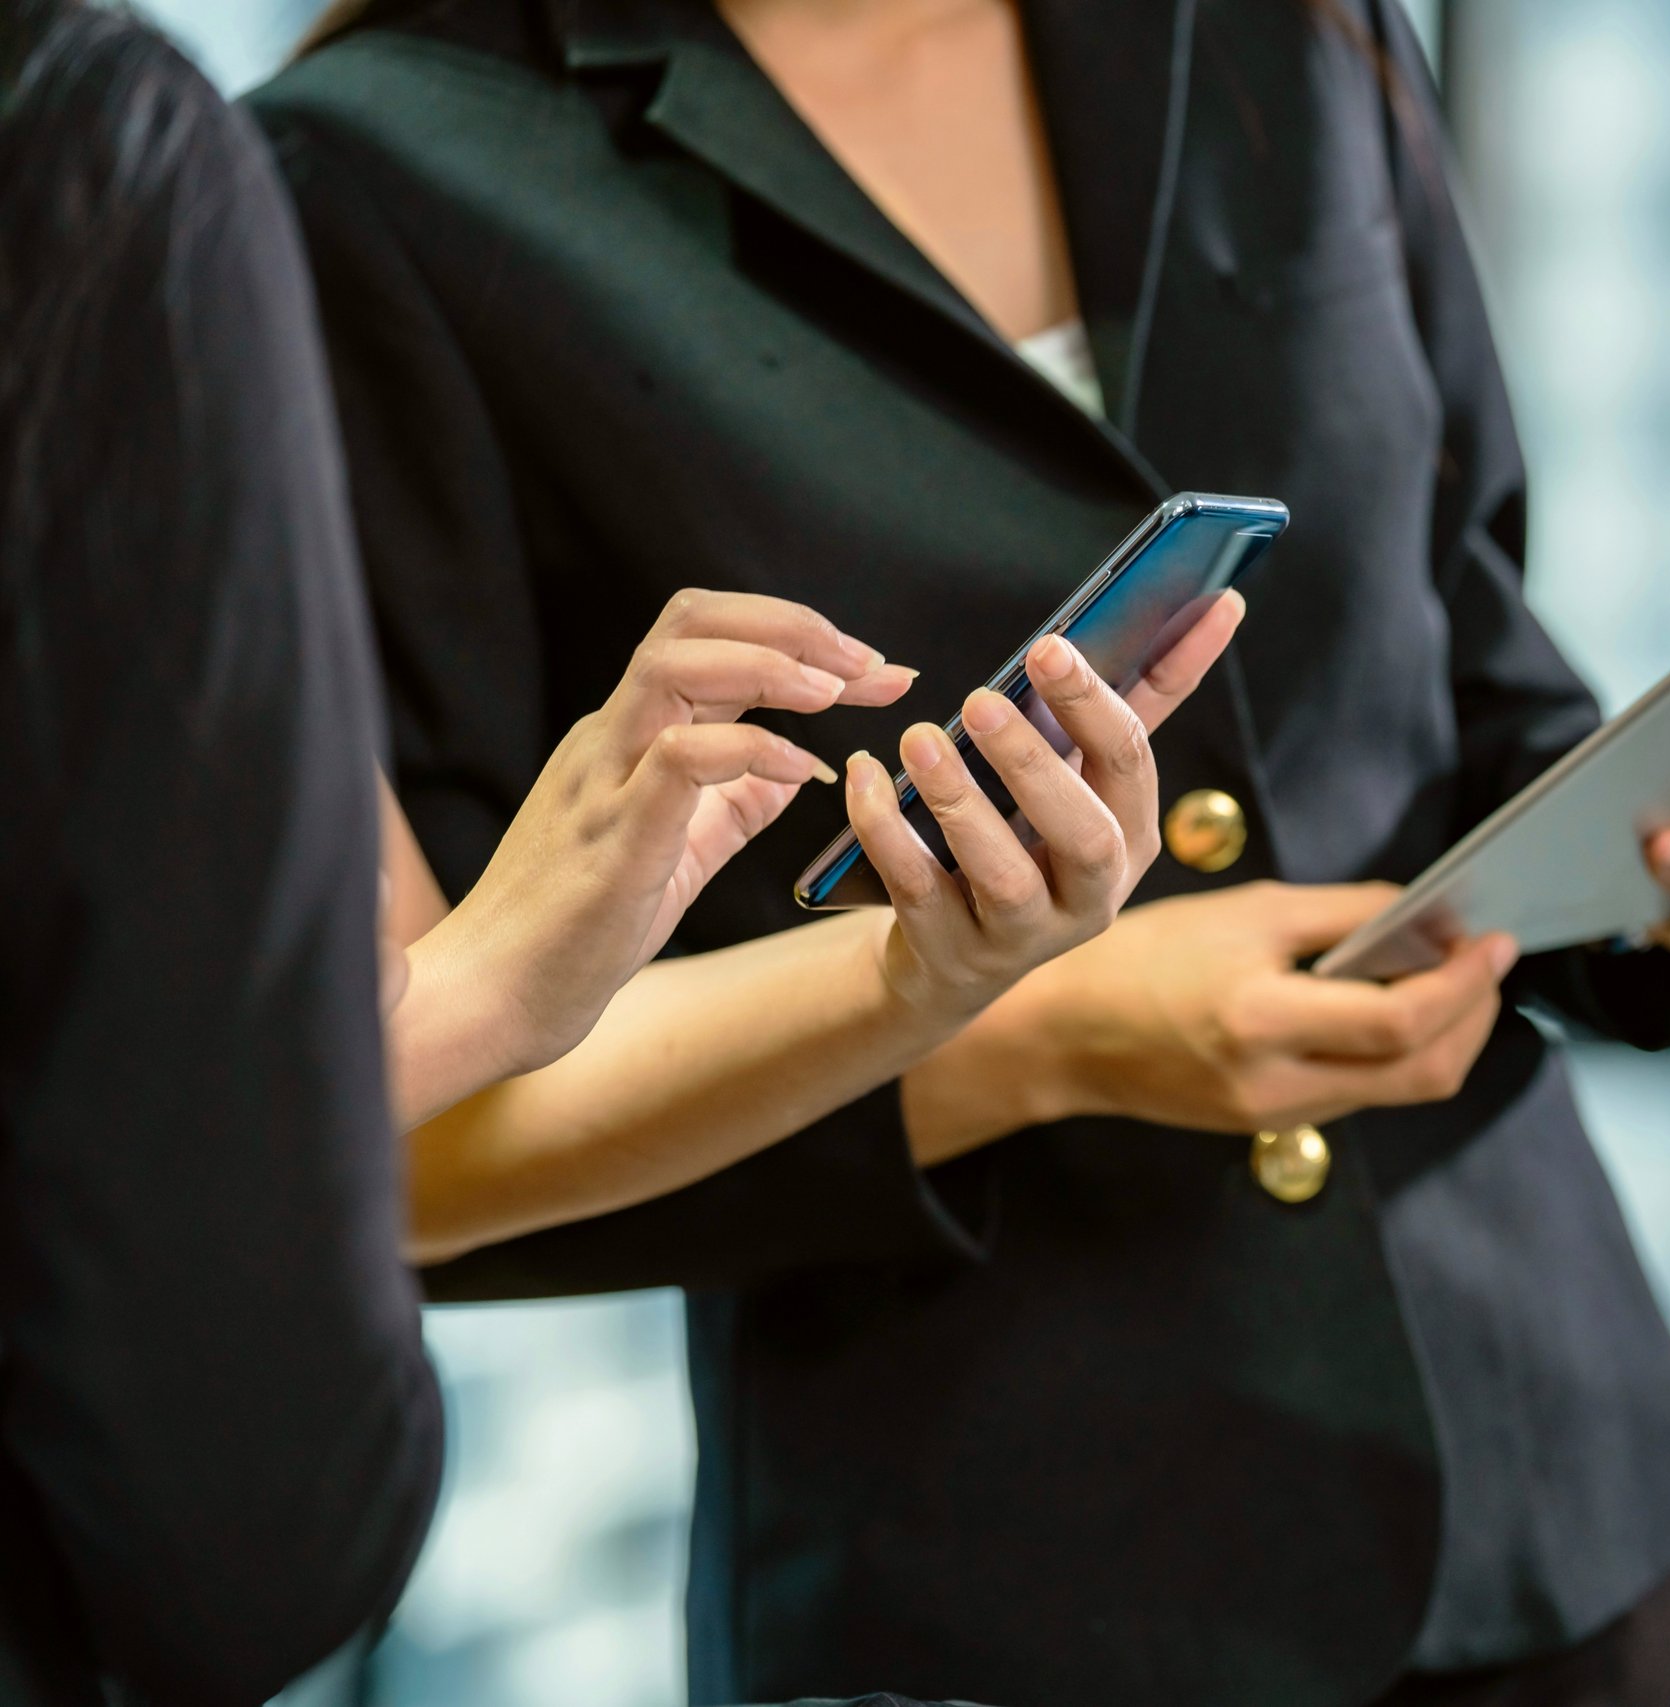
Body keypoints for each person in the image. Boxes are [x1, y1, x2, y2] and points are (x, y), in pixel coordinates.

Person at [254, 2, 1670, 1704]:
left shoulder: (1290, 31)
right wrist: (1034, 1035)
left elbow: (1468, 691)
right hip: (990, 1572)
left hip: (1533, 1495)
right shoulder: (387, 168)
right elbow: (423, 1119)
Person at [0, 1, 1230, 1697]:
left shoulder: (1270, 38)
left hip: (1528, 1442)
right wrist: (1012, 1021)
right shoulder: (172, 159)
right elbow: (315, 1163)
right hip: (946, 1517)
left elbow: (348, 1045)